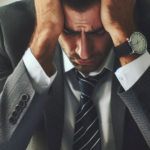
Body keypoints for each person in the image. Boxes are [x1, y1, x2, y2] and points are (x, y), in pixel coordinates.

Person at [0, 0, 150, 149]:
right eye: (69, 31)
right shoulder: (7, 28)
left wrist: (125, 33)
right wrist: (42, 39)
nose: (83, 53)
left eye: (98, 32)